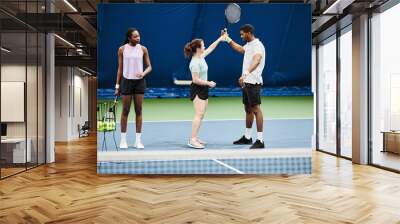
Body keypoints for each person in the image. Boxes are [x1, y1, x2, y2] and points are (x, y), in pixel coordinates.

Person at [222, 24, 266, 149]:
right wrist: (227, 39)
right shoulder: (249, 45)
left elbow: (257, 60)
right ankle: (247, 137)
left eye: (242, 34)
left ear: (249, 33)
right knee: (248, 109)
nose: (241, 36)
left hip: (253, 82)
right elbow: (241, 49)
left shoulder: (258, 45)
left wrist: (246, 73)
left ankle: (260, 140)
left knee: (256, 109)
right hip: (247, 83)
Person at [184, 35, 225, 149]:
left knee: (201, 115)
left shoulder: (201, 56)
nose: (205, 46)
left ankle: (195, 137)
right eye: (203, 45)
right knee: (198, 114)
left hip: (203, 88)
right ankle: (192, 140)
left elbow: (211, 48)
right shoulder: (194, 63)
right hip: (197, 89)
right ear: (198, 48)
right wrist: (209, 83)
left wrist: (220, 38)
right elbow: (195, 80)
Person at [115, 28, 152, 149]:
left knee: (139, 111)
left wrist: (143, 73)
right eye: (135, 36)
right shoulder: (122, 49)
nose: (138, 38)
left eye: (139, 36)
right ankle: (123, 140)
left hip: (139, 82)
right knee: (125, 111)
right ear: (129, 38)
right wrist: (117, 86)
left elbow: (149, 67)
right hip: (126, 82)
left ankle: (138, 141)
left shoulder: (143, 49)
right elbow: (120, 69)